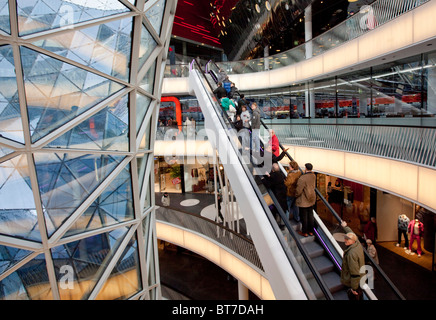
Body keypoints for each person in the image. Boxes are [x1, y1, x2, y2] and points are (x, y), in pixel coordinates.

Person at [340, 220, 365, 300]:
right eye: (345, 238)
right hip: (361, 278)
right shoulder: (357, 244)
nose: (345, 241)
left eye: (348, 240)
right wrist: (345, 226)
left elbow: (354, 272)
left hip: (355, 282)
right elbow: (352, 233)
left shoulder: (351, 254)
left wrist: (354, 288)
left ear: (352, 241)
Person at [261, 163, 287, 228]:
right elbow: (276, 179)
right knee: (282, 210)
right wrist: (269, 176)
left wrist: (263, 179)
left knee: (273, 209)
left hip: (276, 196)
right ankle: (282, 224)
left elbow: (268, 185)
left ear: (272, 170)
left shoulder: (273, 176)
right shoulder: (281, 175)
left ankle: (274, 224)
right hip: (283, 196)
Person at [295, 163, 316, 237]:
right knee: (310, 215)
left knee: (304, 216)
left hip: (304, 200)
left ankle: (304, 232)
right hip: (312, 198)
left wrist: (296, 196)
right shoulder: (313, 176)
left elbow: (298, 190)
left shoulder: (302, 178)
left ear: (306, 168)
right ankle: (311, 231)